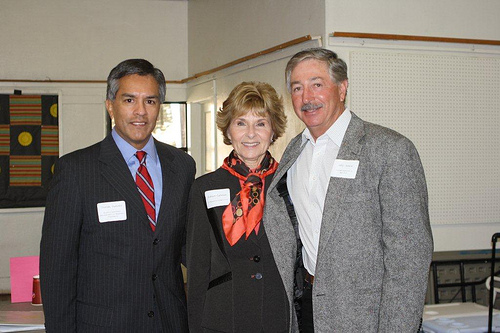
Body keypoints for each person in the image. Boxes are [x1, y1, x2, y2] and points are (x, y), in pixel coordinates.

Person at [263, 48, 434, 332]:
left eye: (317, 84)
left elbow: (410, 256)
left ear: (342, 89)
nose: (307, 98)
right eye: (297, 88)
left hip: (367, 318)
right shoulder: (294, 150)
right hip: (307, 310)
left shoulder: (389, 149)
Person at [40, 59, 195, 332]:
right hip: (105, 325)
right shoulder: (76, 170)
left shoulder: (182, 165)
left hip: (169, 322)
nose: (140, 112)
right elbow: (58, 269)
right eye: (129, 100)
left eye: (150, 101)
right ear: (110, 105)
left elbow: (185, 245)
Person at [186, 81, 289, 332]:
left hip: (278, 316)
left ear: (273, 130)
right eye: (241, 123)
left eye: (261, 123)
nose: (251, 134)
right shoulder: (204, 188)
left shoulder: (290, 184)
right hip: (222, 318)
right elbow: (197, 268)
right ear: (228, 131)